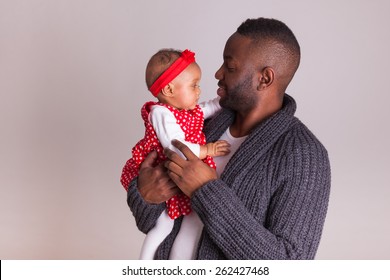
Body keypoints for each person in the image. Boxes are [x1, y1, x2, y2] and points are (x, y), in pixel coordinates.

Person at [126, 17, 331, 260]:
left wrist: (206, 190)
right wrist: (145, 195)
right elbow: (150, 220)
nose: (217, 73)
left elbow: (289, 263)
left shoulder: (304, 155)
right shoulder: (198, 125)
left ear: (264, 78)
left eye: (230, 67)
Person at [120, 48, 230, 258]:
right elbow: (176, 147)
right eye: (194, 85)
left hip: (179, 174)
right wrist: (209, 149)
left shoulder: (187, 111)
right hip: (166, 170)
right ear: (169, 89)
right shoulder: (161, 113)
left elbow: (208, 108)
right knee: (162, 225)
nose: (199, 91)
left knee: (177, 222)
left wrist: (223, 99)